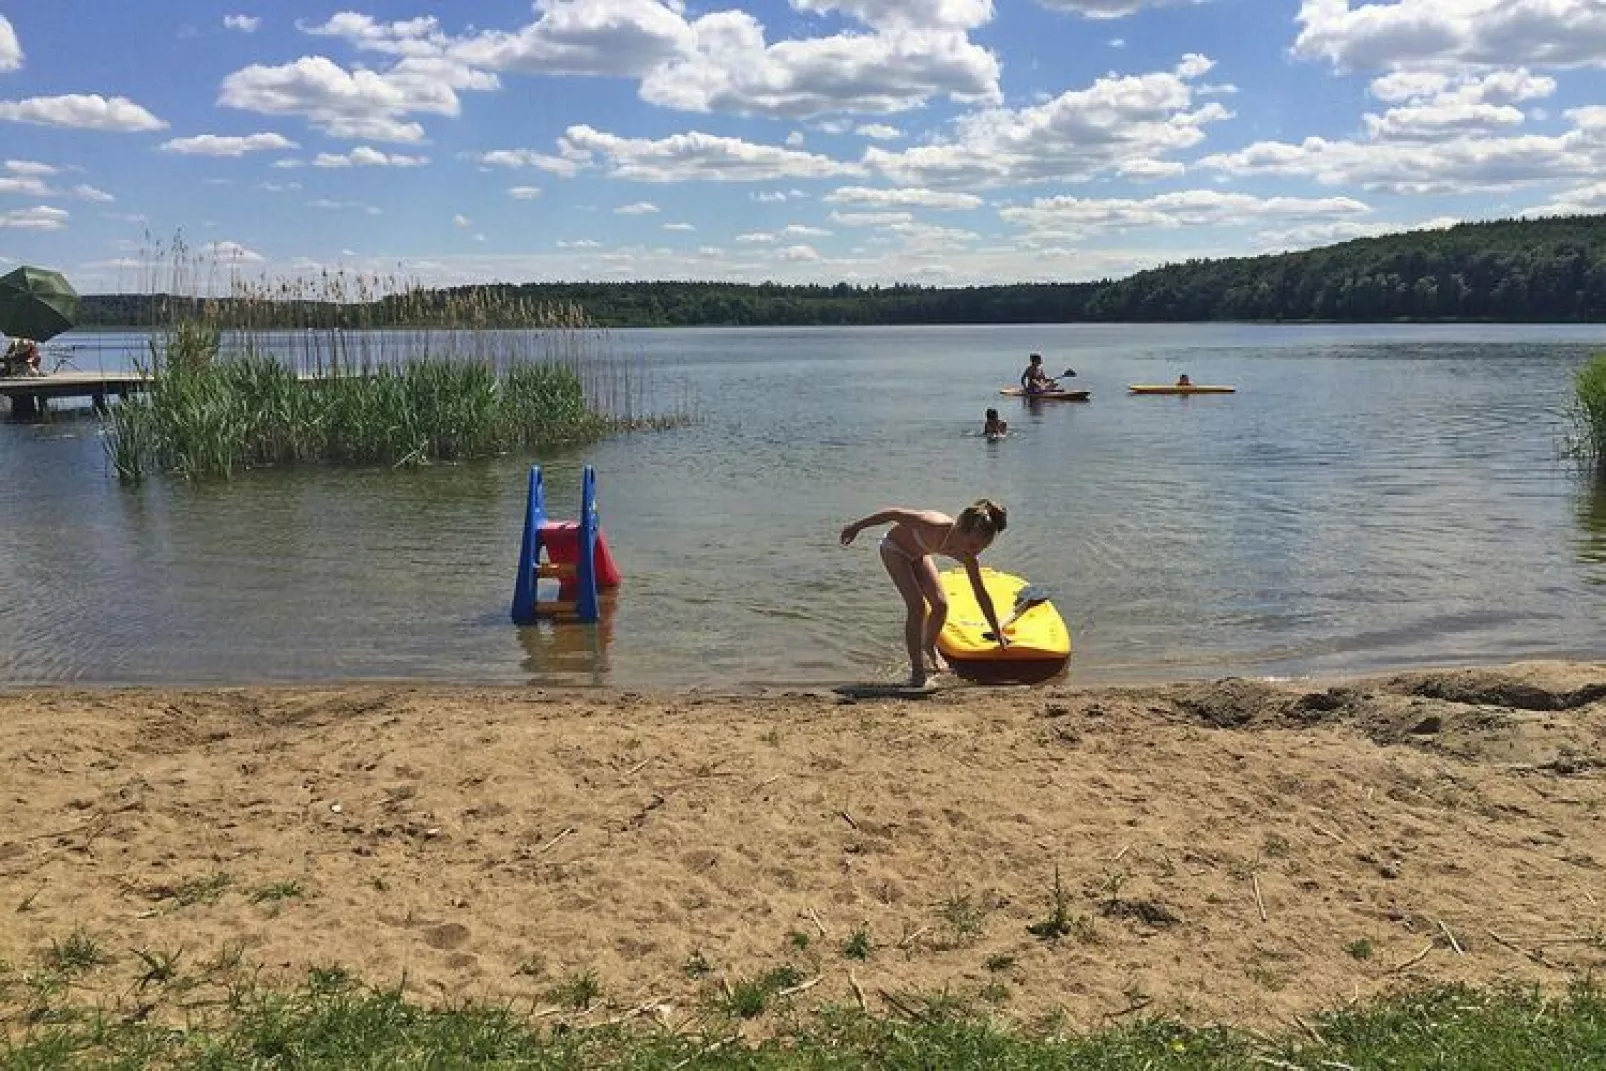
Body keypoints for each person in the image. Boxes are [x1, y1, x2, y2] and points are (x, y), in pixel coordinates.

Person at [840, 500, 1009, 688]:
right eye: (973, 545)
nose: (975, 552)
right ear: (961, 528)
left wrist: (997, 633)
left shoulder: (968, 555)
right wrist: (856, 527)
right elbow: (894, 514)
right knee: (917, 606)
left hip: (918, 555)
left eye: (981, 548)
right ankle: (917, 670)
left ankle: (929, 647)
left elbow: (981, 594)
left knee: (941, 605)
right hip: (893, 550)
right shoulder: (934, 524)